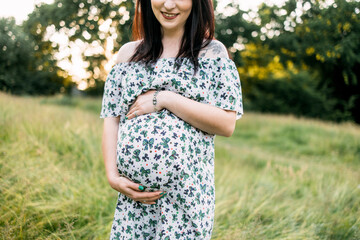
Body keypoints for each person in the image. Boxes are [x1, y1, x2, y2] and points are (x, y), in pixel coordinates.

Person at [100, 0, 243, 239]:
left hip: (186, 201)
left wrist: (165, 99)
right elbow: (112, 119)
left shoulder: (212, 53)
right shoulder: (128, 55)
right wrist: (113, 176)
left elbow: (227, 124)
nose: (169, 4)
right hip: (135, 203)